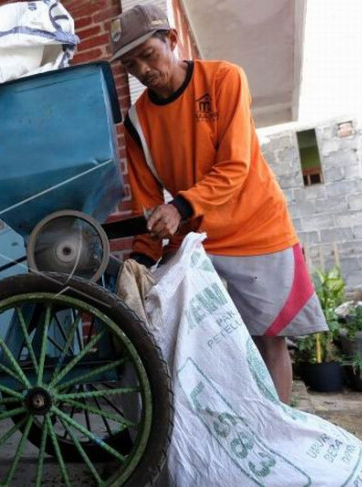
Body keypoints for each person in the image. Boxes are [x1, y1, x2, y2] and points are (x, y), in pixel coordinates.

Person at [109, 3, 327, 403]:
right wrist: (142, 255)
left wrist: (180, 208)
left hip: (257, 228)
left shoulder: (224, 78)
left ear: (172, 41)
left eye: (148, 55)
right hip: (197, 240)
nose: (142, 70)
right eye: (130, 65)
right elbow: (146, 202)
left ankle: (275, 435)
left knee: (269, 341)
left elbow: (235, 165)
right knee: (194, 344)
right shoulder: (137, 122)